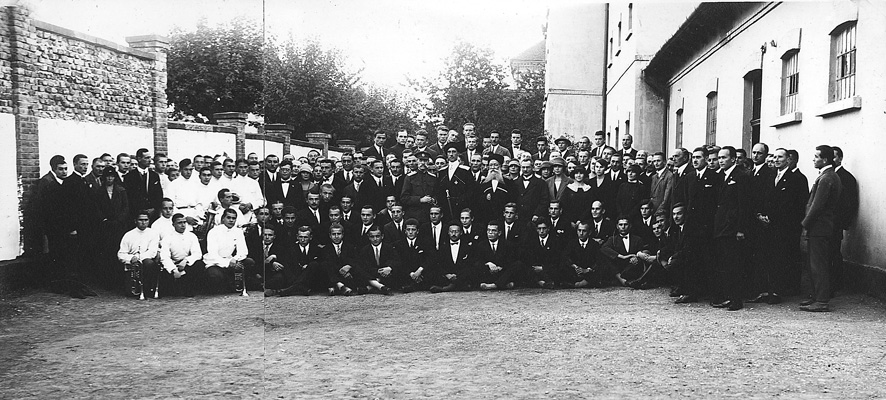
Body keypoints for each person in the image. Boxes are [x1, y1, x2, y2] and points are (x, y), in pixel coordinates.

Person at [751, 148, 807, 304]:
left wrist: (776, 219)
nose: (776, 160)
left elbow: (797, 205)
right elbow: (762, 198)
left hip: (785, 227)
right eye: (774, 157)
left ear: (788, 159)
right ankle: (765, 290)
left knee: (781, 259)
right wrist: (760, 215)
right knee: (766, 258)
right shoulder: (770, 176)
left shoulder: (796, 179)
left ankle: (777, 291)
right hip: (767, 225)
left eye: (780, 157)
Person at [800, 145, 842, 312]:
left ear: (825, 160)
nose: (814, 159)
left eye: (816, 156)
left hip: (819, 228)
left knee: (818, 265)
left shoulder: (826, 178)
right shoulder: (828, 176)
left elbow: (817, 206)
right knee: (815, 264)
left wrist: (805, 224)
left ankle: (822, 300)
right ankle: (817, 297)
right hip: (820, 227)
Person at [712, 146, 750, 311]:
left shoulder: (741, 176)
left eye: (724, 158)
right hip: (720, 225)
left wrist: (741, 228)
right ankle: (726, 296)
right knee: (723, 263)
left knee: (733, 264)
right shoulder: (720, 176)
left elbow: (744, 205)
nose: (720, 161)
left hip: (732, 226)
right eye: (719, 158)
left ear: (733, 159)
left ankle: (736, 299)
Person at [203, 208, 254, 295]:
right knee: (215, 275)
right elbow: (213, 254)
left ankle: (236, 285)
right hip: (215, 263)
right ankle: (226, 285)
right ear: (223, 218)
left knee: (249, 262)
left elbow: (243, 251)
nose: (231, 220)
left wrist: (234, 259)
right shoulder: (213, 232)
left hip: (231, 261)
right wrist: (228, 263)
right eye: (228, 217)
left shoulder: (238, 232)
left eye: (233, 218)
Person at [831, 146, 858, 294]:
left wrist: (843, 223)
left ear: (840, 159)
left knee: (834, 252)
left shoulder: (846, 177)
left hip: (836, 223)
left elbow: (850, 203)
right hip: (828, 222)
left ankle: (836, 284)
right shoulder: (829, 174)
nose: (831, 160)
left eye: (834, 157)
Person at [117, 210, 161, 298]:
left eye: (146, 220)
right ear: (135, 221)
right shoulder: (128, 235)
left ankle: (147, 289)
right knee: (129, 293)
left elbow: (152, 251)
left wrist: (138, 257)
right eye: (141, 220)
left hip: (146, 261)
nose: (143, 222)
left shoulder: (153, 234)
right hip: (132, 264)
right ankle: (136, 288)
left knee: (148, 263)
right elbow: (121, 253)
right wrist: (131, 258)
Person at [159, 213, 203, 297]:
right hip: (174, 265)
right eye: (179, 223)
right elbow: (164, 257)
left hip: (187, 264)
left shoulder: (191, 236)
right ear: (173, 225)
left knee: (199, 264)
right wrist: (174, 269)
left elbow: (197, 253)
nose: (183, 225)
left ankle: (189, 289)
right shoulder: (167, 238)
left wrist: (186, 261)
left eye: (184, 222)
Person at [600, 216, 649, 286]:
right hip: (618, 266)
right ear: (617, 226)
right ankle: (621, 279)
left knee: (638, 262)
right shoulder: (612, 239)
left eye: (625, 224)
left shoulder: (637, 239)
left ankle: (633, 280)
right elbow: (604, 248)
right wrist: (621, 256)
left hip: (631, 265)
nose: (623, 227)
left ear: (630, 225)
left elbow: (640, 251)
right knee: (606, 258)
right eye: (620, 225)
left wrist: (636, 257)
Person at [428, 221, 476, 293]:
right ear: (448, 232)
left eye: (456, 232)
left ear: (461, 233)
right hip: (447, 276)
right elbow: (439, 263)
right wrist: (447, 275)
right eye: (451, 231)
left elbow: (469, 264)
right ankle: (455, 286)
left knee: (471, 271)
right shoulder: (443, 247)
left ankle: (446, 288)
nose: (453, 234)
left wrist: (457, 275)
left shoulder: (467, 247)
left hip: (460, 275)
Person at [475, 220, 522, 290]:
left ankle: (494, 285)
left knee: (518, 264)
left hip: (502, 272)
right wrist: (488, 264)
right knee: (477, 265)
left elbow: (510, 260)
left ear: (499, 233)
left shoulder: (507, 244)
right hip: (489, 272)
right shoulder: (481, 245)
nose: (490, 233)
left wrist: (500, 267)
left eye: (493, 230)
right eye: (488, 230)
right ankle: (504, 285)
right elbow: (478, 260)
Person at [124, 148, 164, 220]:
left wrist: (154, 208)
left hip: (152, 213)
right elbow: (129, 196)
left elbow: (159, 194)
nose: (150, 160)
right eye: (147, 158)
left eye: (150, 158)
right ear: (139, 159)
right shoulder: (129, 176)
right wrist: (139, 211)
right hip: (136, 214)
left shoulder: (154, 175)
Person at [357, 225, 398, 294]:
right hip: (373, 273)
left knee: (396, 271)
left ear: (382, 236)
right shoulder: (365, 250)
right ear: (368, 237)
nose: (375, 239)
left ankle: (372, 286)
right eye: (372, 237)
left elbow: (396, 260)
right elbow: (365, 266)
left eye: (377, 236)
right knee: (361, 271)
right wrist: (378, 271)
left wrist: (389, 268)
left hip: (386, 273)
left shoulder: (389, 247)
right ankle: (380, 286)